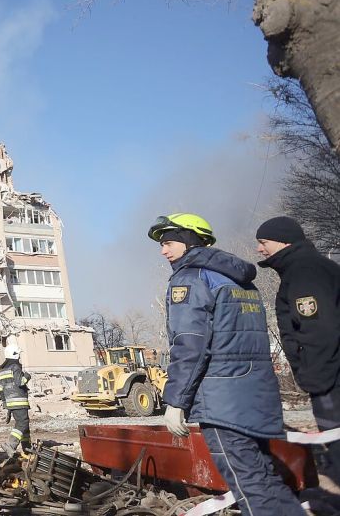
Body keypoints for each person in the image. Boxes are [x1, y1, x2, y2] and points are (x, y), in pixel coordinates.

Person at [148, 213, 305, 516]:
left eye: (168, 242)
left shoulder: (190, 279)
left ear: (189, 240)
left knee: (249, 488)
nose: (163, 251)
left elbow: (190, 343)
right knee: (264, 480)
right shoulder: (238, 279)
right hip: (254, 395)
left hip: (221, 402)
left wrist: (176, 401)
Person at [256, 216, 340, 484]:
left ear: (283, 241)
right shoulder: (308, 267)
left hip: (331, 381)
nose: (259, 249)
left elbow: (318, 330)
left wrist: (316, 380)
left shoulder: (304, 272)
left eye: (263, 242)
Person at [0, 340, 30, 455]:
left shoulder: (2, 370)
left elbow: (0, 389)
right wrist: (27, 376)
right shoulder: (15, 367)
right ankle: (11, 445)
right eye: (19, 354)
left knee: (24, 426)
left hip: (11, 402)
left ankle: (27, 449)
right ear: (15, 354)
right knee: (22, 423)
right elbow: (20, 382)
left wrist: (6, 404)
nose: (20, 356)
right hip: (19, 400)